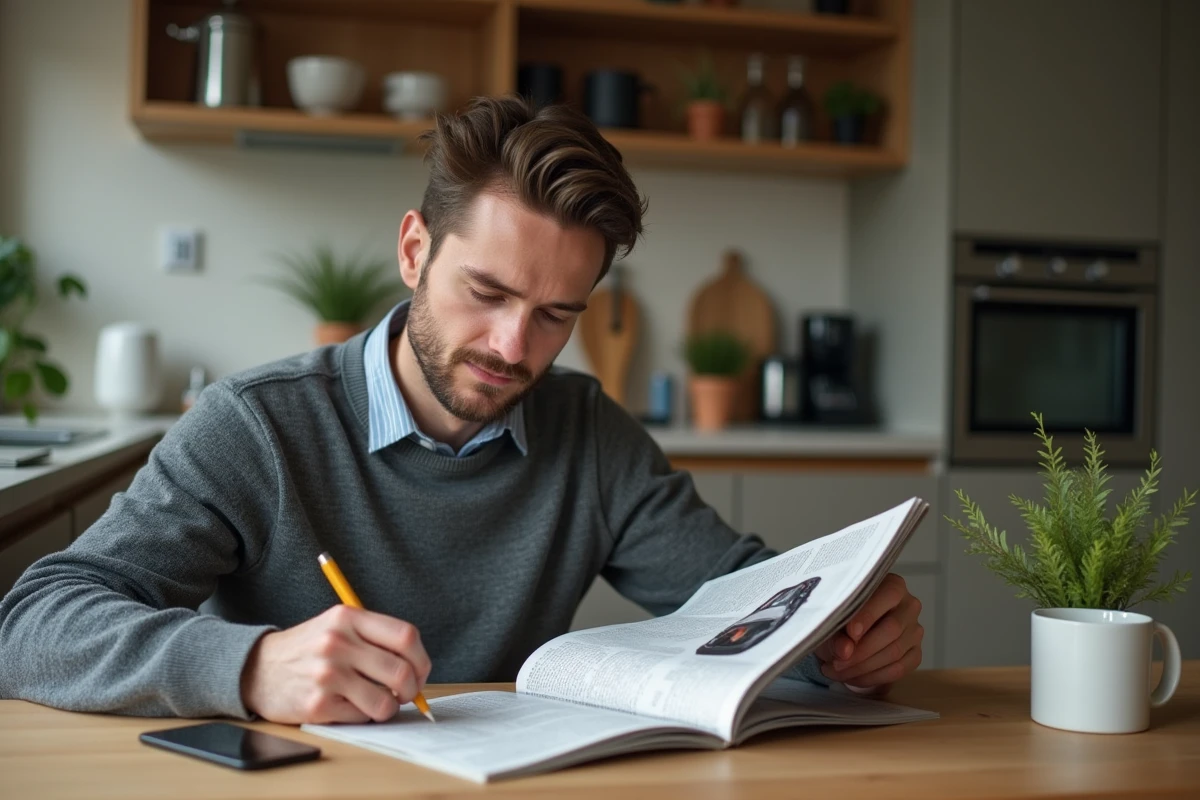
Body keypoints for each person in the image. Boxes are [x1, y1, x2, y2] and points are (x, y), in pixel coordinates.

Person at [0, 96, 923, 724]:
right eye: (485, 291)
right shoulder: (257, 427)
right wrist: (249, 667)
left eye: (556, 314)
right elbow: (34, 624)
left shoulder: (588, 433)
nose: (513, 347)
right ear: (414, 251)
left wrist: (839, 638)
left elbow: (739, 597)